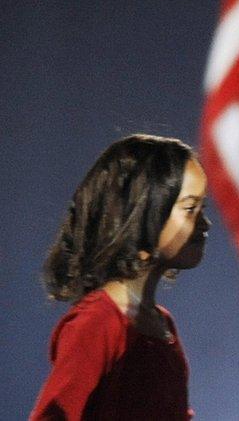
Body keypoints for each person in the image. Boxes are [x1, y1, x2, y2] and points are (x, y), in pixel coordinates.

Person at [31, 134, 210, 421]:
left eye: (204, 208)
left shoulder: (162, 325)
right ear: (140, 217)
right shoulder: (98, 322)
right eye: (190, 209)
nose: (205, 223)